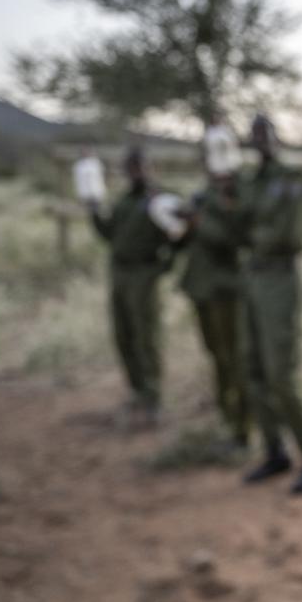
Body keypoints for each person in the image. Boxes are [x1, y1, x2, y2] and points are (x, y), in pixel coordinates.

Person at [240, 114, 302, 494]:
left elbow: (290, 236)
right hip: (252, 278)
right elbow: (235, 226)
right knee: (254, 369)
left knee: (282, 372)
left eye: (266, 134)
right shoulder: (248, 182)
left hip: (279, 279)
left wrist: (253, 233)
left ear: (277, 138)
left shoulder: (292, 179)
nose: (260, 141)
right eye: (254, 135)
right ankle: (275, 450)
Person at [88, 146, 176, 428]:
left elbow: (180, 235)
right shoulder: (124, 201)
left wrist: (163, 267)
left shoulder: (160, 200)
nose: (136, 172)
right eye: (131, 167)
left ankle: (153, 398)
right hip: (120, 273)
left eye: (141, 166)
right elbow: (109, 233)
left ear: (151, 168)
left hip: (143, 274)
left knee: (146, 336)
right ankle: (136, 390)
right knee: (123, 334)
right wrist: (93, 211)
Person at [179, 145, 250, 450]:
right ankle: (227, 417)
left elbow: (231, 239)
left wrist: (198, 222)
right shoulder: (204, 194)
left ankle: (242, 427)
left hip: (226, 291)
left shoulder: (236, 193)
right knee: (217, 356)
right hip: (203, 290)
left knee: (234, 359)